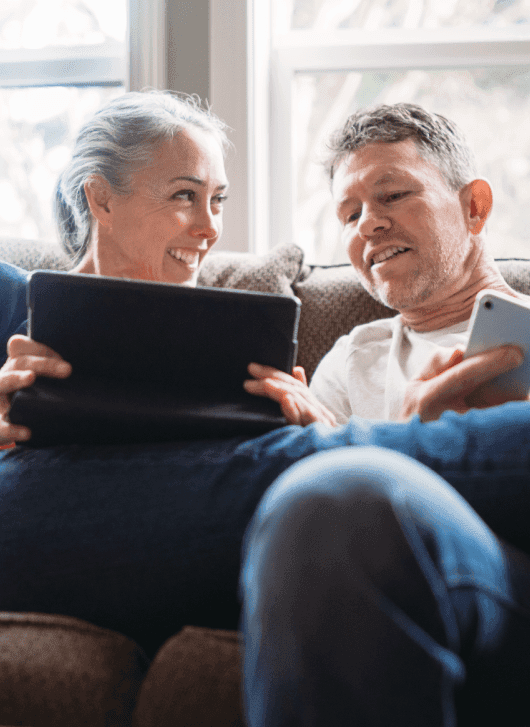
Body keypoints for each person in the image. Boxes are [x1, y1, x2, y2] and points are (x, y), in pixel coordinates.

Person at [0, 94, 526, 672]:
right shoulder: (12, 296)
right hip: (56, 508)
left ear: (474, 207)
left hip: (195, 531)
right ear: (100, 198)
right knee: (328, 484)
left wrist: (319, 446)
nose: (210, 228)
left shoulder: (214, 340)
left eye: (393, 194)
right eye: (184, 194)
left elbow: (284, 477)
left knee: (327, 494)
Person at [239, 104, 530, 727]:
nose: (368, 223)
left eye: (392, 193)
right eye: (348, 214)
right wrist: (316, 443)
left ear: (474, 207)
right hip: (383, 556)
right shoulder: (353, 356)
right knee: (326, 501)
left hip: (508, 576)